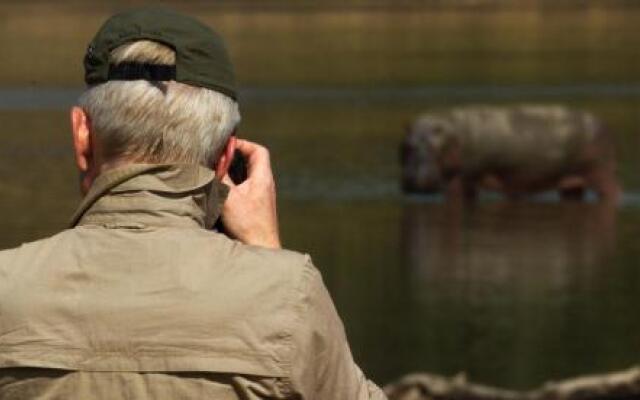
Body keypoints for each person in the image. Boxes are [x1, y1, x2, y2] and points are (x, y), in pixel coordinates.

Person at [0, 7, 387, 400]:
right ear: (226, 155)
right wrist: (268, 256)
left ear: (82, 135)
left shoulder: (7, 288)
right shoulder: (288, 294)